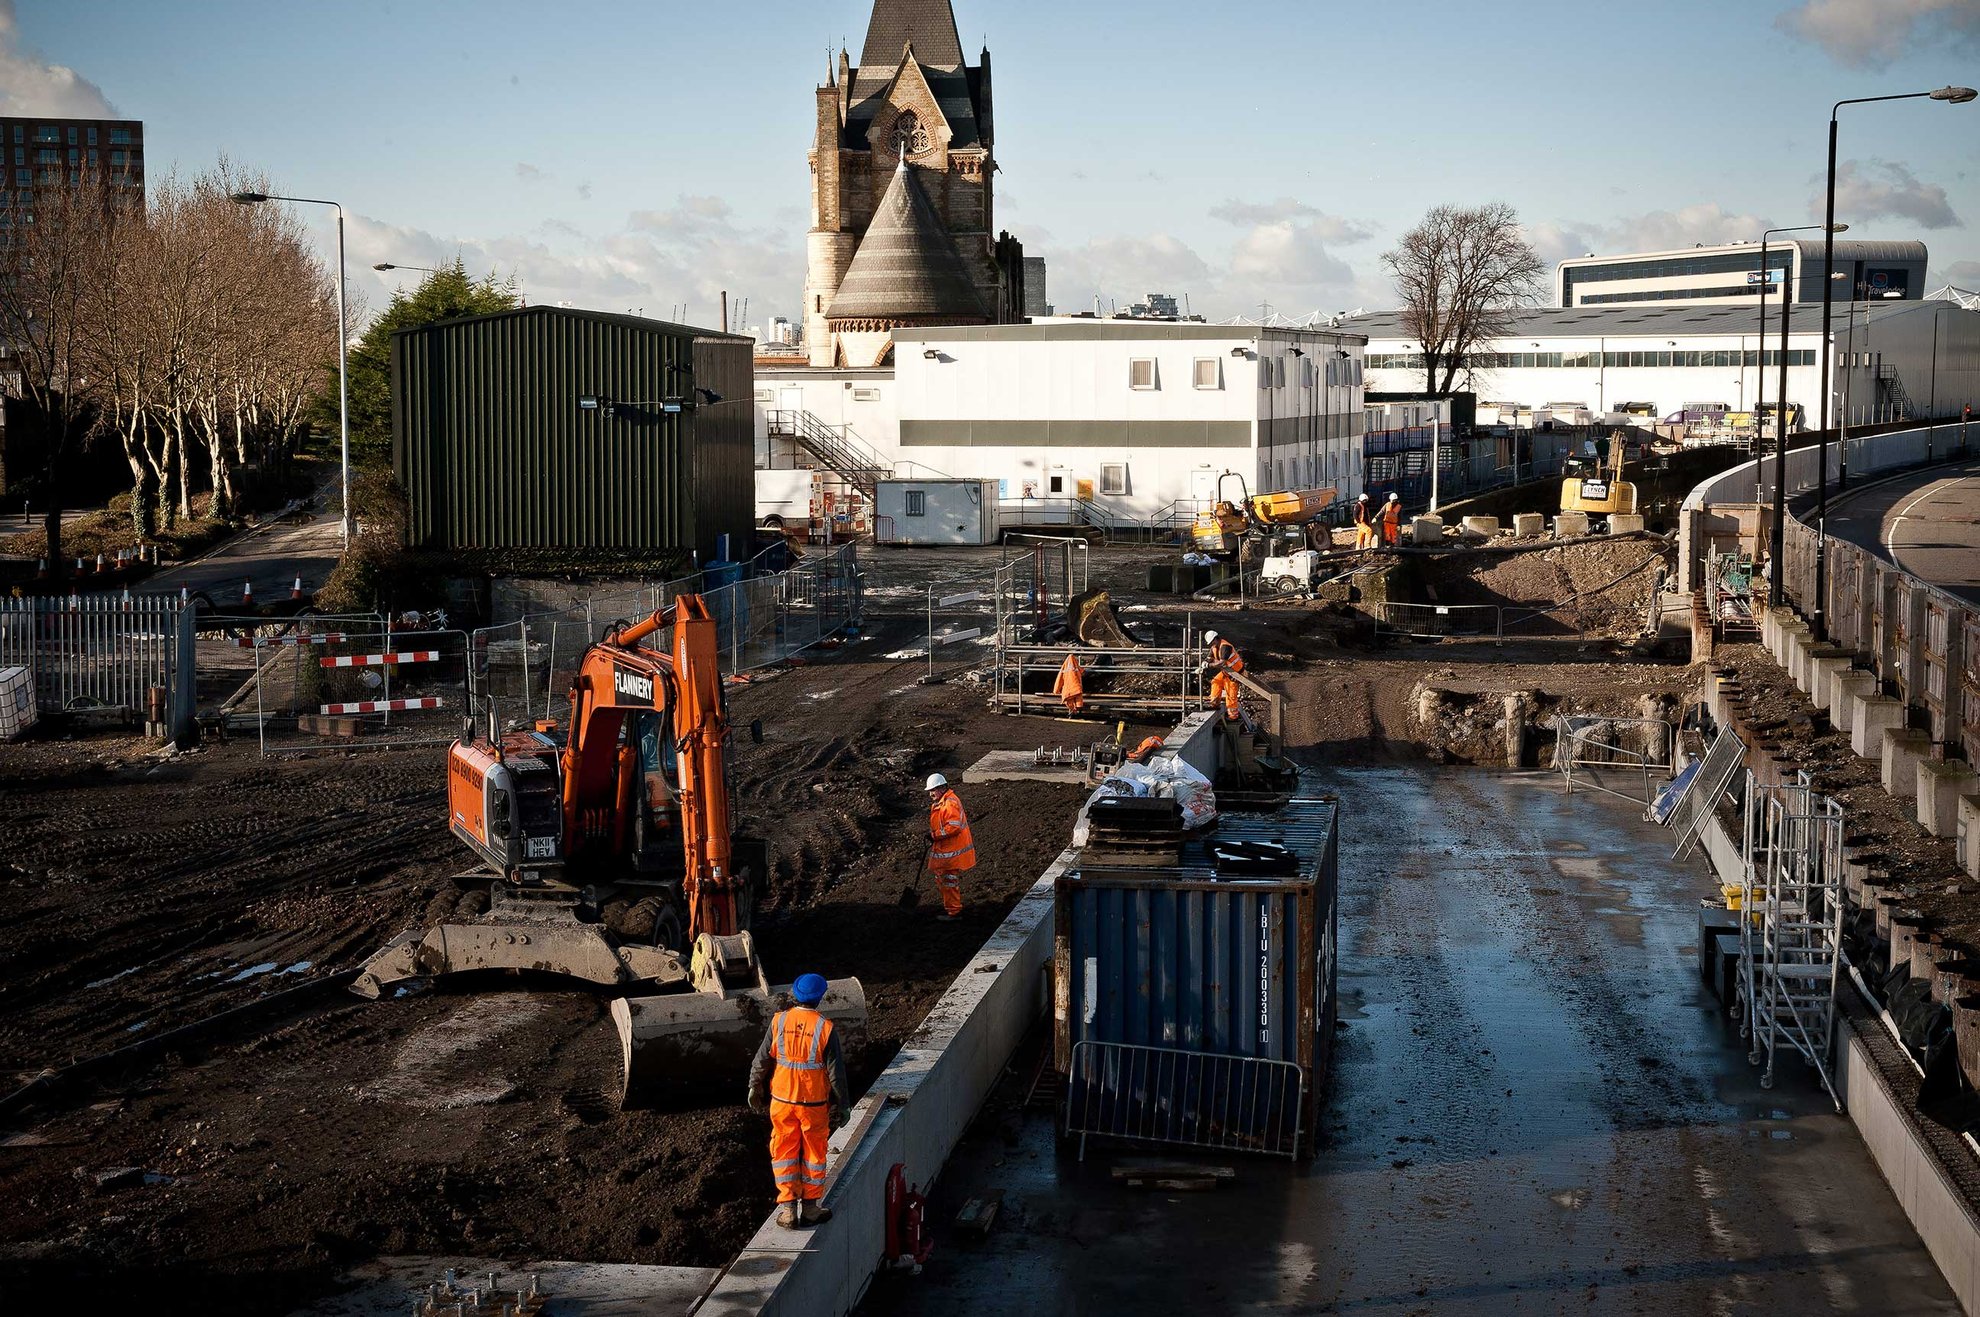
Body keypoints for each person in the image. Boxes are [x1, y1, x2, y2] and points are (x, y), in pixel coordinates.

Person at [748, 972, 849, 1229]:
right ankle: (811, 1209)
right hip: (813, 1104)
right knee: (814, 1154)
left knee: (783, 1152)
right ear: (820, 997)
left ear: (795, 993)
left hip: (781, 1101)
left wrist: (754, 1086)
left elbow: (761, 1060)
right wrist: (843, 1104)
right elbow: (837, 1074)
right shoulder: (825, 1028)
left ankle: (788, 1210)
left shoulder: (779, 1021)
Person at [925, 773, 975, 921]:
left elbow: (953, 827)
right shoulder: (943, 802)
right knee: (943, 879)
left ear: (941, 788)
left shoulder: (949, 803)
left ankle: (954, 912)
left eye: (933, 790)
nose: (931, 794)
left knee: (949, 880)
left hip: (951, 852)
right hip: (946, 850)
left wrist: (934, 835)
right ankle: (952, 908)